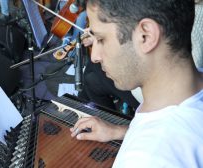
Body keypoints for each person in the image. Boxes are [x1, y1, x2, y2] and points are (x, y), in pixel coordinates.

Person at [70, 0, 203, 167]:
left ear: (146, 36)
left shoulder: (146, 158)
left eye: (101, 39)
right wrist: (121, 131)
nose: (95, 56)